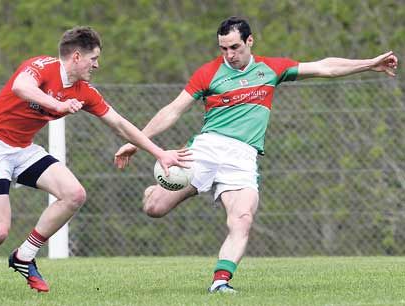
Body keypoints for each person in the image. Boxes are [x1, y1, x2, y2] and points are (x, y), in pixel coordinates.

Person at [114, 16, 398, 293]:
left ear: (250, 41)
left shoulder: (271, 68)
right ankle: (161, 189)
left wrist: (369, 63)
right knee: (155, 209)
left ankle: (220, 282)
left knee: (242, 218)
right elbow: (173, 109)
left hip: (242, 157)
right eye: (223, 48)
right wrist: (139, 141)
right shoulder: (208, 72)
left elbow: (325, 67)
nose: (229, 54)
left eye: (235, 47)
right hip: (206, 149)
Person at [0, 25, 191, 297]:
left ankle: (24, 255)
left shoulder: (84, 91)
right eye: (94, 59)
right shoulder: (42, 66)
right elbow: (21, 86)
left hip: (23, 150)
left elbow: (119, 123)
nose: (97, 65)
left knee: (74, 194)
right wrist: (56, 105)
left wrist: (160, 152)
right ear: (77, 57)